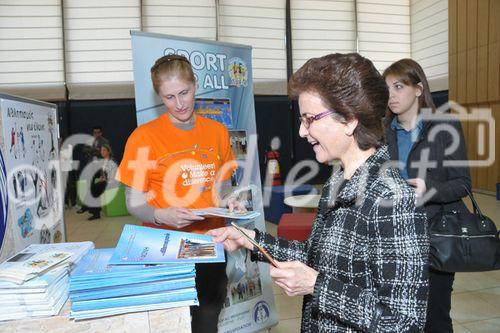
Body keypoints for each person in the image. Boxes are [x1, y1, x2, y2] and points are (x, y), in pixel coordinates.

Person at [209, 53, 429, 332]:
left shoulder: (394, 200)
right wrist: (251, 240)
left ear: (350, 119)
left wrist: (316, 285)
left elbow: (404, 323)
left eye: (310, 119)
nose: (302, 131)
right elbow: (317, 257)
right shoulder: (338, 180)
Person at [116, 54, 238, 333]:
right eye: (169, 97)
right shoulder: (143, 137)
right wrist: (161, 215)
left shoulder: (217, 132)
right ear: (159, 95)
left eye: (184, 92)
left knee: (207, 321)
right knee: (171, 324)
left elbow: (223, 187)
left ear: (196, 84)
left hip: (210, 246)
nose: (180, 103)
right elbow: (133, 202)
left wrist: (231, 201)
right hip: (165, 248)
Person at [383, 58, 471, 333]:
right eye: (387, 88)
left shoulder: (445, 127)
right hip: (394, 237)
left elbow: (463, 184)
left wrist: (428, 188)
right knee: (396, 316)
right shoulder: (383, 133)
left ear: (419, 89)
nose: (391, 95)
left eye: (399, 86)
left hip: (436, 237)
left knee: (435, 317)